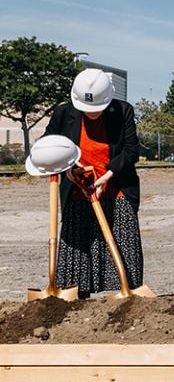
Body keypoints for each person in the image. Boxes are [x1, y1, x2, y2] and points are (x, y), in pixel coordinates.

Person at [43, 68, 144, 298]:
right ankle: (78, 297)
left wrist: (108, 175)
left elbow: (131, 151)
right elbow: (47, 147)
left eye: (97, 109)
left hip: (116, 188)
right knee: (79, 248)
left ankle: (127, 295)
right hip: (78, 190)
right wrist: (67, 170)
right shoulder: (63, 113)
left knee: (122, 243)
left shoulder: (123, 111)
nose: (92, 114)